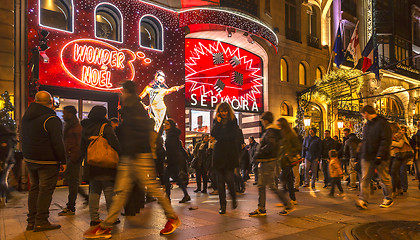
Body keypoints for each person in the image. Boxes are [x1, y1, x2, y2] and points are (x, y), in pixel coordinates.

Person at [84, 81, 181, 238]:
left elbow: (139, 131)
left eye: (122, 92)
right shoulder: (131, 108)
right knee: (122, 191)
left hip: (139, 155)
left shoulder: (136, 108)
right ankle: (107, 225)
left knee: (150, 188)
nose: (120, 95)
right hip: (132, 155)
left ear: (127, 92)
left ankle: (172, 217)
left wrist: (123, 139)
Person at [21, 91, 66, 231]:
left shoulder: (26, 116)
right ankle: (41, 221)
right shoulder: (51, 119)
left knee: (34, 189)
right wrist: (63, 161)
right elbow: (58, 142)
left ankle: (31, 221)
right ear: (51, 102)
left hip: (30, 159)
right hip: (48, 161)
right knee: (45, 191)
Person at [80, 106, 120, 226]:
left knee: (94, 191)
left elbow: (82, 147)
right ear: (103, 115)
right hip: (106, 163)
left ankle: (94, 218)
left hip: (92, 164)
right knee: (109, 190)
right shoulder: (105, 127)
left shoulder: (86, 127)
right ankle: (112, 218)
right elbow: (115, 143)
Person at [249, 112, 294, 217]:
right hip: (268, 161)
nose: (262, 123)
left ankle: (286, 205)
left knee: (270, 186)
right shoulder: (272, 131)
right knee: (262, 185)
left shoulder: (270, 131)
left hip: (268, 161)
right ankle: (261, 208)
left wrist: (258, 153)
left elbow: (270, 145)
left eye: (262, 121)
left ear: (266, 120)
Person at [356, 105, 393, 209]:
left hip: (380, 156)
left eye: (363, 115)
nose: (363, 117)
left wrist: (380, 155)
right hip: (367, 155)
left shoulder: (382, 123)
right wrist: (361, 154)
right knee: (365, 178)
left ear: (366, 113)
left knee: (384, 178)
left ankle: (388, 197)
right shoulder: (367, 125)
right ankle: (363, 200)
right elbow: (365, 140)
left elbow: (386, 140)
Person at [58, 106, 89, 216]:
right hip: (69, 157)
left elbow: (79, 146)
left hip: (73, 158)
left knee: (73, 182)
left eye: (65, 113)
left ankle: (71, 207)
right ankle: (84, 198)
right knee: (72, 181)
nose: (63, 115)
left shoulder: (77, 128)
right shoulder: (69, 126)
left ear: (71, 114)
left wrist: (73, 160)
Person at [211, 102, 240, 214]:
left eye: (225, 110)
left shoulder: (233, 121)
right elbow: (213, 134)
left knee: (229, 180)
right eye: (221, 111)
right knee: (220, 183)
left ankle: (233, 198)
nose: (223, 113)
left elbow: (233, 135)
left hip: (230, 154)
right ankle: (222, 205)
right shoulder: (216, 121)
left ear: (228, 111)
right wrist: (217, 123)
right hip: (219, 155)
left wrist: (220, 137)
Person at [164, 119, 191, 203]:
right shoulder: (172, 135)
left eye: (167, 124)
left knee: (166, 177)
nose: (165, 125)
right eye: (165, 123)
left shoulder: (171, 135)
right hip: (175, 159)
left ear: (171, 125)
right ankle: (186, 195)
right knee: (177, 178)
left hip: (173, 159)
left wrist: (167, 159)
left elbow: (172, 149)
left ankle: (167, 198)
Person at [277, 117, 301, 206]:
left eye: (279, 124)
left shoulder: (291, 134)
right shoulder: (281, 134)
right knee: (289, 180)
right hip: (283, 161)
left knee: (282, 177)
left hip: (289, 160)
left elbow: (298, 147)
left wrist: (288, 153)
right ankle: (293, 199)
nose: (278, 126)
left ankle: (284, 201)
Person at [390, 123, 413, 198]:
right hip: (392, 156)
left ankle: (393, 191)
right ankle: (399, 188)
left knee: (394, 172)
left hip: (399, 155)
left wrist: (391, 143)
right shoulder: (391, 135)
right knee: (394, 173)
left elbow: (400, 144)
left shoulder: (400, 134)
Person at [0, 124, 16, 207]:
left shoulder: (5, 138)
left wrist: (4, 162)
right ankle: (4, 198)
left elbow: (7, 152)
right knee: (3, 180)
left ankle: (6, 197)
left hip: (5, 162)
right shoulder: (7, 137)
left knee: (2, 180)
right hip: (5, 161)